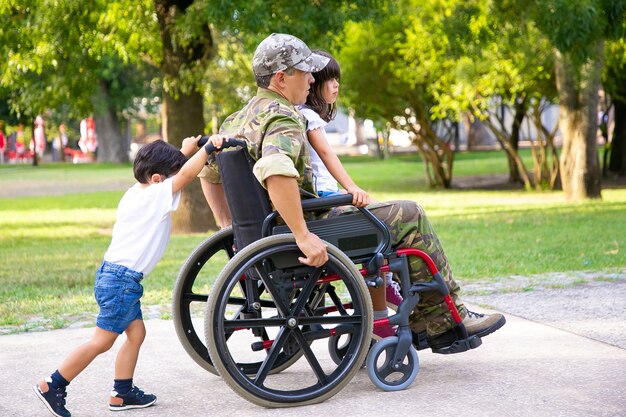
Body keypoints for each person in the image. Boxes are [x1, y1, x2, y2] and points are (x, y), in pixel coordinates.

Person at [199, 33, 505, 354]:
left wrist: (228, 228)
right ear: (280, 78)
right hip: (311, 227)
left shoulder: (236, 120)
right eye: (305, 71)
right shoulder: (283, 116)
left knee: (395, 214)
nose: (312, 78)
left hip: (271, 232)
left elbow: (208, 171)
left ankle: (426, 317)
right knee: (410, 214)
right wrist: (303, 236)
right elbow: (276, 170)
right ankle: (441, 321)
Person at [34, 135, 215, 417]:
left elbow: (175, 171)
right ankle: (53, 384)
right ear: (157, 179)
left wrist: (183, 151)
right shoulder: (157, 194)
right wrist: (209, 147)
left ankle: (122, 392)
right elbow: (189, 173)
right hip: (121, 281)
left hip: (115, 276)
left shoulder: (138, 191)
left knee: (136, 333)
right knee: (102, 341)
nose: (175, 181)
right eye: (170, 176)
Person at [299, 50, 402, 337]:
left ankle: (388, 289)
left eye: (337, 79)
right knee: (383, 226)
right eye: (328, 79)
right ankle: (382, 312)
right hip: (326, 200)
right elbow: (328, 156)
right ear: (312, 83)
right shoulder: (308, 116)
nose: (336, 85)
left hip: (321, 198)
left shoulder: (302, 115)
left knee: (381, 213)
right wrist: (352, 188)